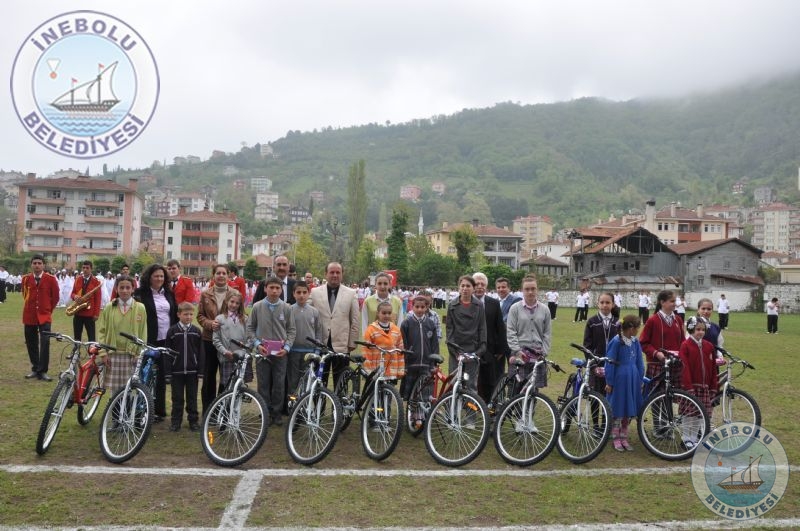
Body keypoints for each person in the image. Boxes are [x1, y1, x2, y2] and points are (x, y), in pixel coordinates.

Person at [134, 263, 179, 423]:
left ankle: (159, 410)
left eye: (162, 276)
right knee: (144, 375)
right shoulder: (140, 294)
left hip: (166, 340)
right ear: (149, 277)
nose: (159, 279)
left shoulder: (169, 293)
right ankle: (140, 410)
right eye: (156, 276)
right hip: (148, 339)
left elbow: (174, 314)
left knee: (161, 376)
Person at [248, 276, 295, 426]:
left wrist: (287, 348)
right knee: (263, 383)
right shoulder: (257, 307)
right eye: (271, 288)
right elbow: (250, 328)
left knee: (279, 384)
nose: (274, 291)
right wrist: (257, 344)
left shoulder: (287, 308)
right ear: (265, 289)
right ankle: (265, 412)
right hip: (263, 351)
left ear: (281, 290)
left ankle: (276, 413)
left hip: (280, 353)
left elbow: (291, 330)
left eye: (277, 288)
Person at [309, 262, 360, 387]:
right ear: (326, 274)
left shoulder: (351, 293)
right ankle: (318, 406)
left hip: (342, 345)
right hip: (320, 344)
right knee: (319, 381)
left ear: (342, 275)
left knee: (341, 383)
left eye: (338, 272)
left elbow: (355, 319)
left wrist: (352, 342)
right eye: (332, 272)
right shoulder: (315, 292)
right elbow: (307, 313)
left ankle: (338, 406)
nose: (335, 275)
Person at [97, 275, 148, 396]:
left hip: (131, 355)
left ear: (133, 289)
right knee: (114, 391)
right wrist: (103, 353)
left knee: (129, 389)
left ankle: (126, 413)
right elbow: (102, 331)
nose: (125, 290)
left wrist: (139, 353)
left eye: (128, 287)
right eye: (121, 287)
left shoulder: (140, 308)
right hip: (112, 354)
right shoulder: (110, 307)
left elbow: (143, 332)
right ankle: (114, 414)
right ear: (116, 289)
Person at [197, 264, 237, 415]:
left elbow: (240, 315)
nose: (221, 275)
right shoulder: (205, 294)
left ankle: (222, 410)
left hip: (228, 341)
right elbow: (200, 316)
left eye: (224, 273)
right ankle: (208, 411)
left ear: (228, 276)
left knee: (226, 376)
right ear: (213, 275)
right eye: (218, 273)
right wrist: (209, 323)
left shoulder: (234, 293)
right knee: (208, 376)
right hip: (209, 340)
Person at [604, 315, 644, 452]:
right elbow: (609, 362)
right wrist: (609, 382)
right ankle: (615, 437)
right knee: (618, 409)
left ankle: (624, 436)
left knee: (628, 409)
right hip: (620, 380)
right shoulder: (616, 342)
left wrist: (640, 379)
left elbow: (639, 361)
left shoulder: (635, 342)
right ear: (631, 328)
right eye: (638, 327)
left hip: (632, 378)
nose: (639, 330)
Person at [679, 317, 719, 448]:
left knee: (699, 414)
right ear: (691, 329)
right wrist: (688, 387)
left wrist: (714, 385)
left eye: (703, 329)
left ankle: (694, 437)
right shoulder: (685, 345)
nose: (700, 332)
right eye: (697, 329)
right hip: (691, 388)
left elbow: (713, 368)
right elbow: (684, 368)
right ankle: (685, 438)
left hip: (704, 387)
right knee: (688, 413)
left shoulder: (709, 346)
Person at [506, 275, 551, 390]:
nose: (530, 292)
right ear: (522, 290)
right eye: (527, 289)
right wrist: (517, 351)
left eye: (533, 288)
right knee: (515, 388)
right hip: (519, 353)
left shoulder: (545, 310)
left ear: (537, 290)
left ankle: (530, 408)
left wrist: (544, 353)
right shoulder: (514, 308)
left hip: (537, 354)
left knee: (533, 390)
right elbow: (511, 331)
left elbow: (547, 333)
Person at [165, 302, 202, 432]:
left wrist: (200, 371)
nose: (188, 317)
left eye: (191, 314)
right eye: (185, 314)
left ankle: (193, 421)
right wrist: (168, 373)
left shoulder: (197, 332)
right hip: (177, 372)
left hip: (192, 372)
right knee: (177, 398)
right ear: (179, 314)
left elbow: (201, 353)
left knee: (192, 398)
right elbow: (168, 353)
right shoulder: (172, 331)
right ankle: (176, 422)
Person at [445, 275, 486, 392]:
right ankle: (451, 407)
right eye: (462, 285)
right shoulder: (452, 305)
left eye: (468, 286)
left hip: (472, 349)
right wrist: (454, 351)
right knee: (453, 382)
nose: (465, 288)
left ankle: (470, 407)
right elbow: (449, 330)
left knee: (470, 382)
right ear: (459, 287)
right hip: (456, 350)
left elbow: (482, 328)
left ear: (473, 288)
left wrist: (480, 349)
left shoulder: (479, 305)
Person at [22, 255, 60, 381]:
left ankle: (43, 371)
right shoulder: (26, 279)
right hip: (29, 315)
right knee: (31, 343)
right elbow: (25, 295)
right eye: (34, 263)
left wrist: (48, 309)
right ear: (31, 265)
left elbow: (55, 297)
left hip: (44, 315)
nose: (37, 265)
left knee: (45, 343)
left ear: (43, 265)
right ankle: (35, 368)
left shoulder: (51, 279)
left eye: (39, 263)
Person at [473, 272, 508, 404]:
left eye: (483, 284)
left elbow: (500, 327)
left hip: (490, 349)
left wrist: (501, 350)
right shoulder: (465, 302)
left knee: (489, 380)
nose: (480, 287)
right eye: (477, 284)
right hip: (471, 348)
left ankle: (489, 406)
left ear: (486, 287)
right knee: (471, 380)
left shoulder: (493, 303)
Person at [286, 280, 324, 398]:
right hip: (293, 352)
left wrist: (317, 350)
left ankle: (304, 406)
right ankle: (293, 404)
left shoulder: (314, 312)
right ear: (294, 294)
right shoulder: (289, 310)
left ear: (308, 294)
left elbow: (318, 331)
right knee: (293, 380)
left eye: (304, 292)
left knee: (307, 380)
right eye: (298, 292)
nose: (301, 295)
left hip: (309, 353)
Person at [639, 289, 684, 387]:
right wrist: (656, 353)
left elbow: (683, 342)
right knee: (656, 399)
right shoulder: (653, 320)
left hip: (675, 364)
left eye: (675, 301)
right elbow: (643, 343)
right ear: (662, 302)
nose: (674, 304)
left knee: (674, 396)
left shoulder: (678, 320)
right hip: (657, 364)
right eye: (672, 301)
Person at [400, 295, 439, 405]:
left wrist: (434, 363)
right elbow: (403, 344)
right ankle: (411, 414)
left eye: (422, 307)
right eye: (417, 307)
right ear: (412, 307)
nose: (420, 309)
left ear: (427, 307)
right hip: (411, 364)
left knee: (425, 391)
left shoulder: (431, 324)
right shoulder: (406, 323)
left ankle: (423, 415)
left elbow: (435, 344)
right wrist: (405, 364)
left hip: (427, 364)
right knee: (410, 392)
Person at [212, 290, 253, 393]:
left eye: (237, 303)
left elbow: (251, 338)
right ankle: (226, 408)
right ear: (226, 301)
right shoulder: (220, 319)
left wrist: (245, 351)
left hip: (242, 359)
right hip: (227, 358)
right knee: (227, 387)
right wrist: (225, 352)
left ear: (240, 305)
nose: (234, 305)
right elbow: (216, 340)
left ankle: (235, 408)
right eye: (232, 301)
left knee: (239, 387)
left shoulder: (245, 319)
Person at [583, 292, 619, 401]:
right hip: (596, 365)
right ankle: (595, 418)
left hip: (613, 366)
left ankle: (606, 418)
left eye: (608, 302)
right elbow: (587, 346)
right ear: (597, 304)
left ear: (613, 304)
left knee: (610, 396)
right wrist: (593, 365)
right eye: (602, 302)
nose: (604, 305)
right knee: (595, 397)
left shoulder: (618, 323)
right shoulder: (592, 322)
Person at [363, 301, 405, 383]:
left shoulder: (396, 330)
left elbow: (400, 351)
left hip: (392, 369)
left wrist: (400, 370)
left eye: (389, 313)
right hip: (376, 369)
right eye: (384, 313)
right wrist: (368, 369)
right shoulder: (371, 330)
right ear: (378, 313)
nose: (387, 315)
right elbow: (366, 351)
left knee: (389, 392)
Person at [69, 260, 102, 342]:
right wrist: (75, 296)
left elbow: (98, 299)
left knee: (91, 337)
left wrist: (96, 314)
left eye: (87, 268)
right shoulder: (78, 279)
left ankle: (92, 354)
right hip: (78, 312)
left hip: (89, 314)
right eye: (83, 268)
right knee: (77, 336)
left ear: (91, 269)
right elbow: (72, 293)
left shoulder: (96, 281)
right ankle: (76, 353)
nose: (85, 270)